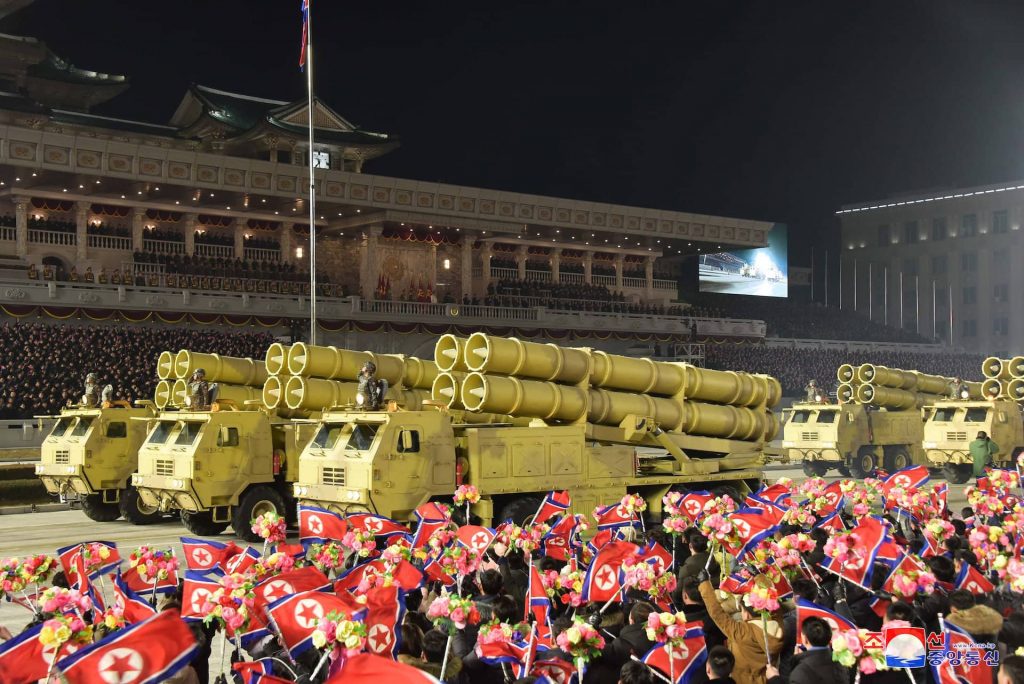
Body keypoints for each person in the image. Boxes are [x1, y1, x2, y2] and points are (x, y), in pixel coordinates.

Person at [698, 571, 783, 684]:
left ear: (747, 614)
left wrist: (704, 585)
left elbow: (718, 615)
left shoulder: (744, 632)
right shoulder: (777, 624)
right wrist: (759, 576)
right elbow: (774, 605)